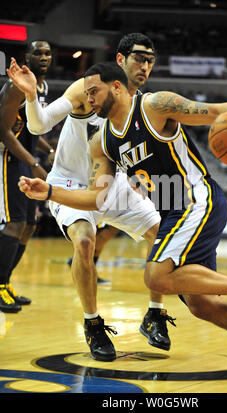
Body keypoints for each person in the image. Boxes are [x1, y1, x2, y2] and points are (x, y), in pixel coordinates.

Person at [18, 61, 227, 382]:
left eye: (94, 91)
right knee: (202, 305)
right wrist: (49, 192)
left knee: (156, 276)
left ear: (117, 87)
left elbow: (214, 111)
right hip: (174, 214)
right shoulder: (103, 142)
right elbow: (96, 199)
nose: (89, 99)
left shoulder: (154, 105)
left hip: (196, 199)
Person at [8, 34, 176, 361]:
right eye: (139, 58)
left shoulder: (142, 103)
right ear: (120, 60)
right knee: (84, 242)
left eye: (151, 60)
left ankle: (155, 313)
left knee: (162, 235)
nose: (145, 66)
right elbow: (40, 124)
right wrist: (30, 97)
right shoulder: (87, 87)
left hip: (111, 185)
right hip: (70, 181)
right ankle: (93, 323)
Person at [0, 40, 54, 313]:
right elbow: (4, 131)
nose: (43, 57)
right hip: (9, 159)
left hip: (27, 158)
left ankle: (5, 282)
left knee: (29, 225)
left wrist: (50, 149)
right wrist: (33, 162)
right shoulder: (15, 86)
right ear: (27, 56)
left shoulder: (42, 88)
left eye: (47, 53)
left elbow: (35, 129)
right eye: (38, 53)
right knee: (14, 223)